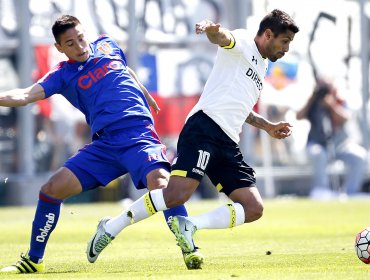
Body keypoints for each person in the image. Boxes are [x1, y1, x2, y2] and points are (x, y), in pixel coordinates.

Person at [87, 9, 299, 266]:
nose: (286, 49)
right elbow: (222, 37)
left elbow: (239, 107)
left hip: (228, 141)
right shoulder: (243, 41)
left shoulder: (262, 65)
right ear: (268, 34)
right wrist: (212, 29)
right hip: (204, 128)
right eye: (284, 42)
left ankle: (191, 225)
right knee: (176, 194)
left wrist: (267, 126)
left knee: (253, 208)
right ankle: (110, 227)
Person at [0, 15, 203, 274]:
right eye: (70, 43)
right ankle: (33, 259)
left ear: (87, 34)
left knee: (162, 183)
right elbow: (26, 95)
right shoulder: (62, 75)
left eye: (81, 38)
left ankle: (189, 248)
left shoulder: (107, 45)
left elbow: (124, 69)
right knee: (51, 189)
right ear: (60, 48)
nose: (80, 46)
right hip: (105, 145)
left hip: (138, 136)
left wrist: (143, 92)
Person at [296, 78, 367, 199]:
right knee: (318, 154)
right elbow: (299, 116)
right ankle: (321, 191)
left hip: (340, 144)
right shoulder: (312, 103)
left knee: (360, 156)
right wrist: (313, 98)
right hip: (318, 143)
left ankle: (350, 193)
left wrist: (331, 106)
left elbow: (345, 118)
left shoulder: (338, 100)